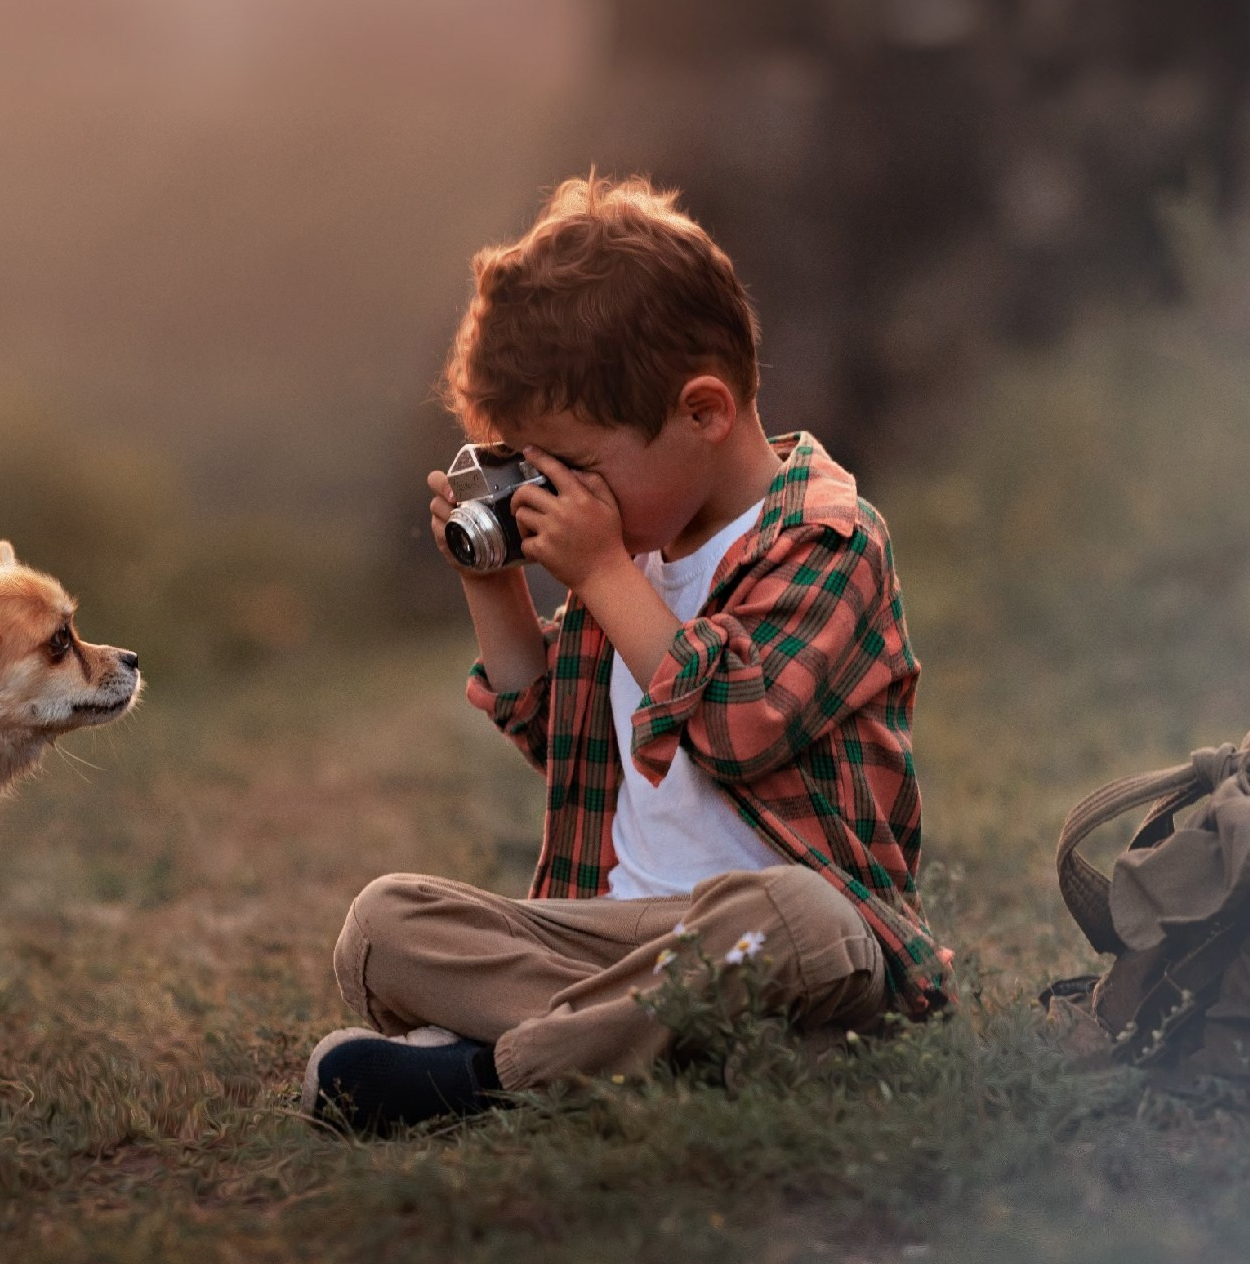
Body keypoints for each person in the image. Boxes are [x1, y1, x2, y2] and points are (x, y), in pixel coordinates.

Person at [306, 174, 951, 1132]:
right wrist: (495, 582)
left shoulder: (827, 539)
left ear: (702, 412)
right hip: (615, 937)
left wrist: (605, 573)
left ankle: (497, 1071)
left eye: (577, 468)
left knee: (802, 923)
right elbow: (552, 731)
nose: (557, 498)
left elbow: (739, 726)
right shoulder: (641, 542)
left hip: (773, 930)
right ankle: (663, 1045)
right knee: (381, 928)